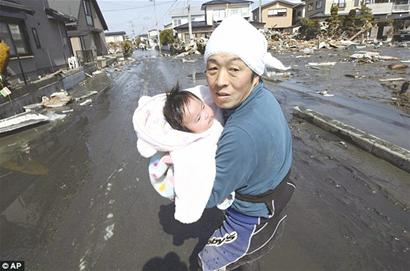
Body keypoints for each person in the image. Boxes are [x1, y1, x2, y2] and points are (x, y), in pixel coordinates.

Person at [197, 15, 295, 271]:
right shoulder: (261, 96)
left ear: (254, 72)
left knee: (210, 264)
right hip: (277, 191)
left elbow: (203, 197)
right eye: (213, 68)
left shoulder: (241, 134)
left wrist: (171, 177)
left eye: (234, 69)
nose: (220, 82)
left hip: (252, 217)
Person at [133, 84, 231, 224]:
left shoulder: (210, 111)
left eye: (203, 107)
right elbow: (191, 179)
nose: (207, 114)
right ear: (185, 130)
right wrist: (188, 210)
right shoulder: (193, 148)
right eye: (198, 119)